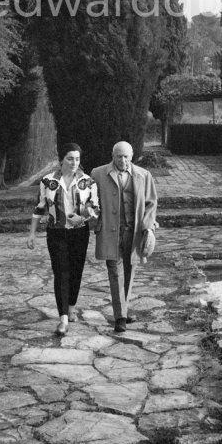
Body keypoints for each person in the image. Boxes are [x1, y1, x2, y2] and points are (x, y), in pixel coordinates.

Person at [27, 142, 99, 336]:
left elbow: (95, 207)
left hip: (79, 233)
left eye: (77, 159)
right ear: (61, 160)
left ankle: (71, 306)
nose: (74, 163)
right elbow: (39, 208)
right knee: (61, 273)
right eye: (70, 159)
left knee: (76, 272)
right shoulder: (47, 181)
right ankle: (63, 319)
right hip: (56, 233)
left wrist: (82, 218)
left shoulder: (88, 182)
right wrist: (32, 233)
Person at [91, 141, 157, 333]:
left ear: (132, 156)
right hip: (110, 232)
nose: (123, 160)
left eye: (126, 156)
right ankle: (120, 317)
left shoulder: (144, 175)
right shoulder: (98, 174)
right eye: (119, 156)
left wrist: (148, 226)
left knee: (129, 271)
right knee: (115, 272)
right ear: (113, 156)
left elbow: (151, 203)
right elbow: (89, 201)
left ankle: (123, 310)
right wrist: (94, 217)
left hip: (134, 233)